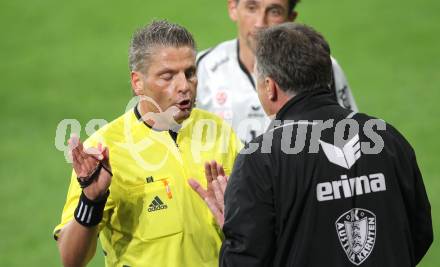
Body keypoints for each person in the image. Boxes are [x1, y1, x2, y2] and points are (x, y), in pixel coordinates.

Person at [191, 23, 433, 266]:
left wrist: (235, 230)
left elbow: (245, 261)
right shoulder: (386, 138)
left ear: (270, 87)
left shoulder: (261, 157)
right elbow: (420, 232)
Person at [53, 20, 241, 267]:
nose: (184, 86)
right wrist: (92, 200)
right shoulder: (103, 150)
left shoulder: (218, 132)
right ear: (137, 82)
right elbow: (71, 259)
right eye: (168, 76)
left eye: (190, 73)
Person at [196, 0, 358, 143]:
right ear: (233, 7)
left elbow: (349, 133)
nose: (260, 23)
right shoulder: (203, 68)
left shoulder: (321, 65)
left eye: (274, 11)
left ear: (291, 18)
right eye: (252, 8)